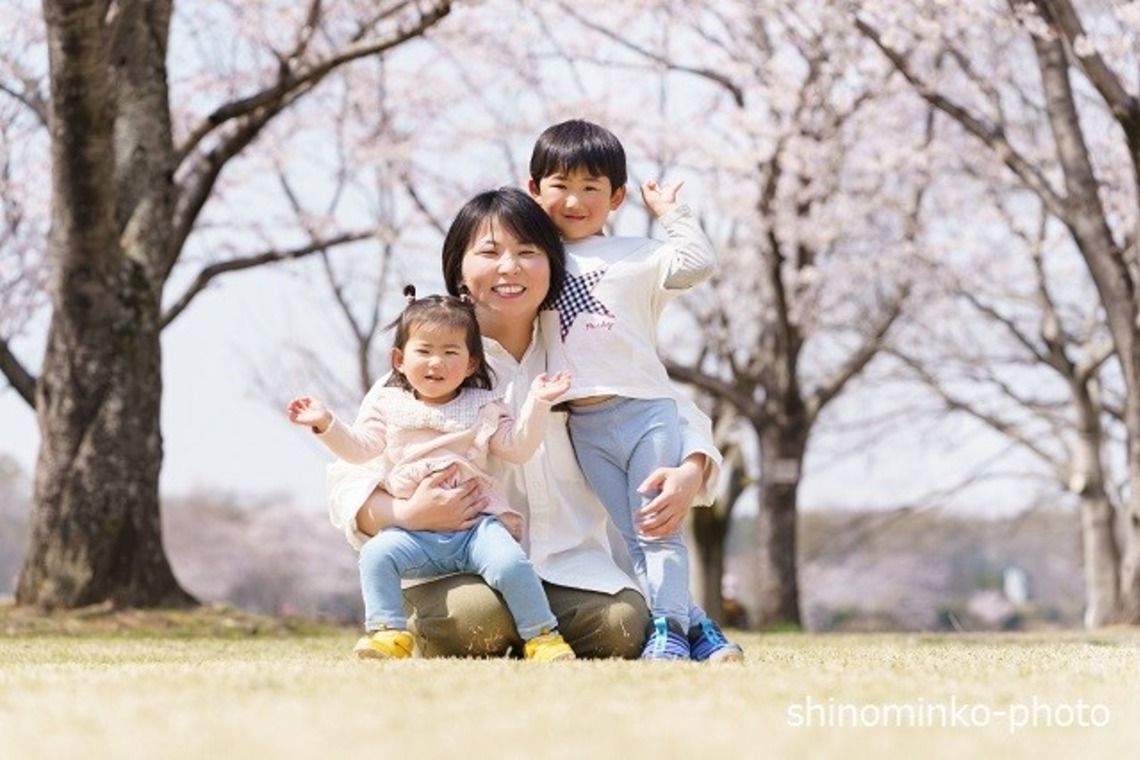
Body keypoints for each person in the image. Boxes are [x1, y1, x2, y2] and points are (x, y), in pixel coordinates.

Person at [326, 187, 723, 660]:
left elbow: (664, 406)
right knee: (475, 619)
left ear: (554, 266)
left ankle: (548, 633)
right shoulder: (431, 365)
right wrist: (406, 514)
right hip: (459, 565)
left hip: (571, 569)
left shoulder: (580, 350)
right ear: (458, 269)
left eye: (528, 253)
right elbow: (351, 474)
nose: (509, 267)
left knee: (622, 626)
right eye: (489, 252)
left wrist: (692, 468)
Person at [527, 118, 744, 662]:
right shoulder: (536, 260)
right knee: (636, 534)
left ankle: (668, 632)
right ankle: (703, 634)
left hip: (644, 411)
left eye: (591, 188)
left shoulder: (637, 254)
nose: (574, 200)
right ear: (534, 190)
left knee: (658, 531)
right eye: (559, 185)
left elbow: (698, 263)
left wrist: (670, 214)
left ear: (616, 196)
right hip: (585, 424)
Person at [288, 286, 576, 661]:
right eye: (423, 351)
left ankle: (542, 636)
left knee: (510, 563)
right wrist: (327, 423)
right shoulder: (388, 404)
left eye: (450, 352)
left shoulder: (484, 405)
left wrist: (538, 403)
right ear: (399, 359)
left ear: (472, 363)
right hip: (414, 533)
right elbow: (358, 450)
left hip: (477, 526)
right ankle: (388, 632)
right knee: (377, 554)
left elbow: (519, 448)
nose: (435, 363)